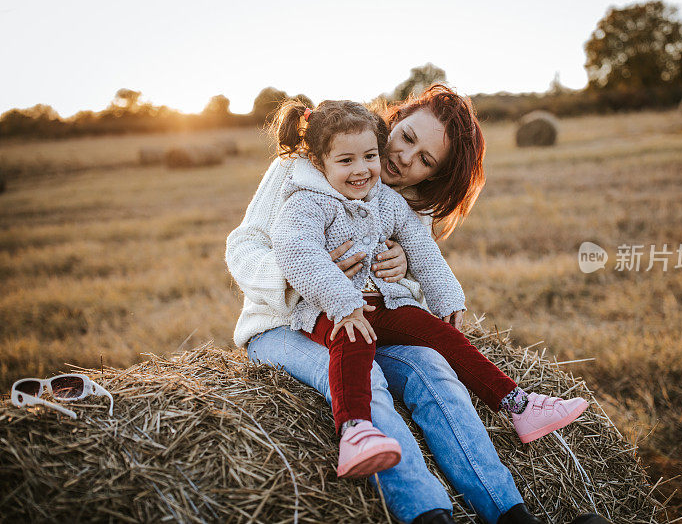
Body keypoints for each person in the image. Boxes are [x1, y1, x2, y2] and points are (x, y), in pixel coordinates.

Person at [226, 85, 603, 524]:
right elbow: (243, 245)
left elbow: (418, 290)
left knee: (433, 366)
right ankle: (427, 513)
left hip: (372, 317)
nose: (404, 158)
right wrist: (305, 275)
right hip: (283, 324)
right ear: (391, 122)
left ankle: (510, 514)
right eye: (405, 138)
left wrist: (404, 272)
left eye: (425, 159)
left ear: (433, 176)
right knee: (364, 377)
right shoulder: (300, 167)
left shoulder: (406, 207)